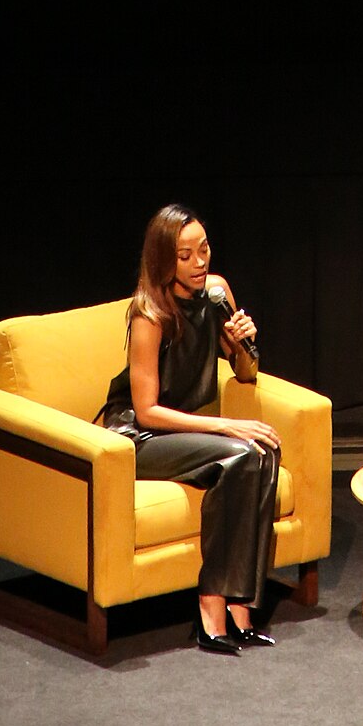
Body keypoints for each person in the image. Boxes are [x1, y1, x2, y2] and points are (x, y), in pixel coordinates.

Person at [101, 204, 284, 654]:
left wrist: (245, 344)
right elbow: (146, 411)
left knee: (264, 452)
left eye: (204, 250)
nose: (200, 262)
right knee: (240, 450)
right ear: (165, 260)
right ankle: (209, 606)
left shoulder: (217, 293)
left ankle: (242, 609)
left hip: (184, 430)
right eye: (186, 255)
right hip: (138, 438)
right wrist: (224, 425)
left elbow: (245, 373)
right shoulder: (149, 315)